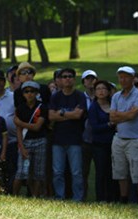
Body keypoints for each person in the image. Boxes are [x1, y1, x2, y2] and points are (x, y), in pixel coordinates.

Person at [48, 67, 86, 202]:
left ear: (74, 79)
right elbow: (51, 116)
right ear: (60, 80)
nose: (67, 79)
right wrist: (70, 114)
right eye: (64, 76)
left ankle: (78, 198)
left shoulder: (80, 96)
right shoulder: (56, 97)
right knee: (57, 172)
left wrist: (62, 113)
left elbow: (78, 115)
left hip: (75, 139)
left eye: (70, 76)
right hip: (58, 140)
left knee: (76, 172)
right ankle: (60, 197)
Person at [110, 66, 138, 204]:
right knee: (120, 171)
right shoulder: (116, 96)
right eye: (121, 77)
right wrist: (126, 115)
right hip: (119, 138)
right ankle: (123, 199)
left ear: (132, 78)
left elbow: (134, 114)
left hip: (135, 139)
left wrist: (122, 115)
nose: (123, 80)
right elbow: (112, 118)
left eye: (126, 77)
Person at [13, 81, 47, 197]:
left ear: (36, 93)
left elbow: (37, 127)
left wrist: (21, 123)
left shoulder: (42, 107)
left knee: (38, 173)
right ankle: (15, 196)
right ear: (23, 94)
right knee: (21, 172)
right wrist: (21, 147)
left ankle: (35, 197)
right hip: (25, 142)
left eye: (32, 91)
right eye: (26, 91)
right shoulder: (20, 108)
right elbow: (18, 130)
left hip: (40, 141)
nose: (29, 94)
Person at [89, 80, 118, 202]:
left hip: (114, 143)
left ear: (109, 91)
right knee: (101, 171)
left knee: (114, 171)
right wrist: (110, 124)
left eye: (103, 89)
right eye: (98, 89)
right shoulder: (93, 107)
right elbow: (95, 127)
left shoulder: (114, 105)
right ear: (95, 92)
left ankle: (114, 198)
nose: (101, 91)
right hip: (99, 144)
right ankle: (101, 198)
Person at [0, 69, 18, 192]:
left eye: (0, 80)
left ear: (5, 82)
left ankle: (9, 191)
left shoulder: (13, 97)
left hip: (11, 140)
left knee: (11, 167)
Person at [80, 69, 97, 200]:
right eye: (88, 79)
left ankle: (103, 197)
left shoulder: (102, 96)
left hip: (99, 139)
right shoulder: (80, 97)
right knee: (83, 171)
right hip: (84, 139)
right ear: (83, 82)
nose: (90, 81)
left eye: (93, 78)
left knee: (102, 171)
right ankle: (82, 197)